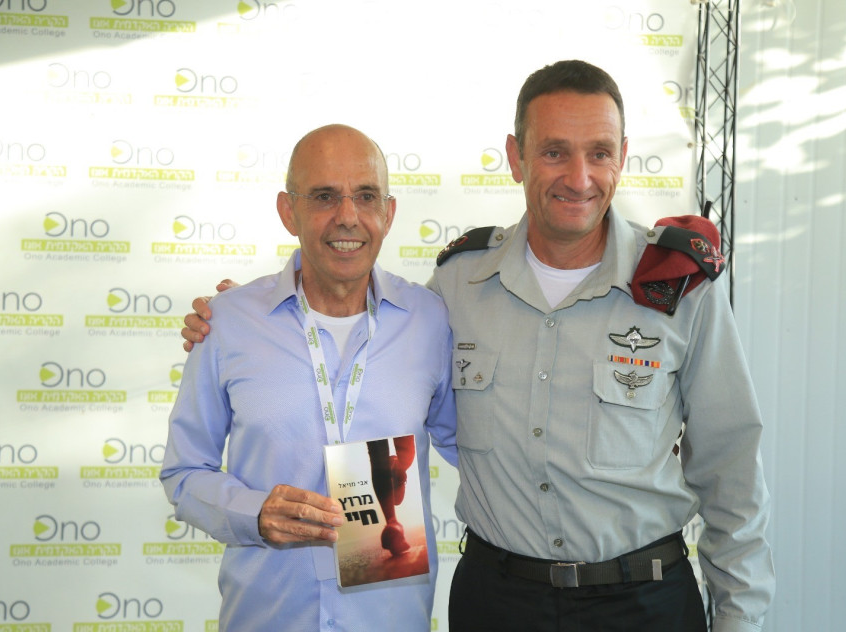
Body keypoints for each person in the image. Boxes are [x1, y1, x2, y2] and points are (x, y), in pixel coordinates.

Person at [181, 61, 775, 632]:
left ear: (622, 156)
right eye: (554, 152)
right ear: (516, 157)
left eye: (599, 153)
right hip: (499, 601)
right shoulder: (456, 287)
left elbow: (730, 467)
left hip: (643, 600)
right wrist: (253, 318)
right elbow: (354, 331)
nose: (579, 177)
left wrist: (740, 617)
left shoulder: (678, 287)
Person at [161, 124, 457, 631]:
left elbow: (477, 447)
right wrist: (253, 513)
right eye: (324, 196)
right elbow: (184, 472)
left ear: (388, 213)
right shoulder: (228, 323)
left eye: (366, 196)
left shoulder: (430, 319)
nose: (348, 216)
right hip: (268, 618)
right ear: (287, 211)